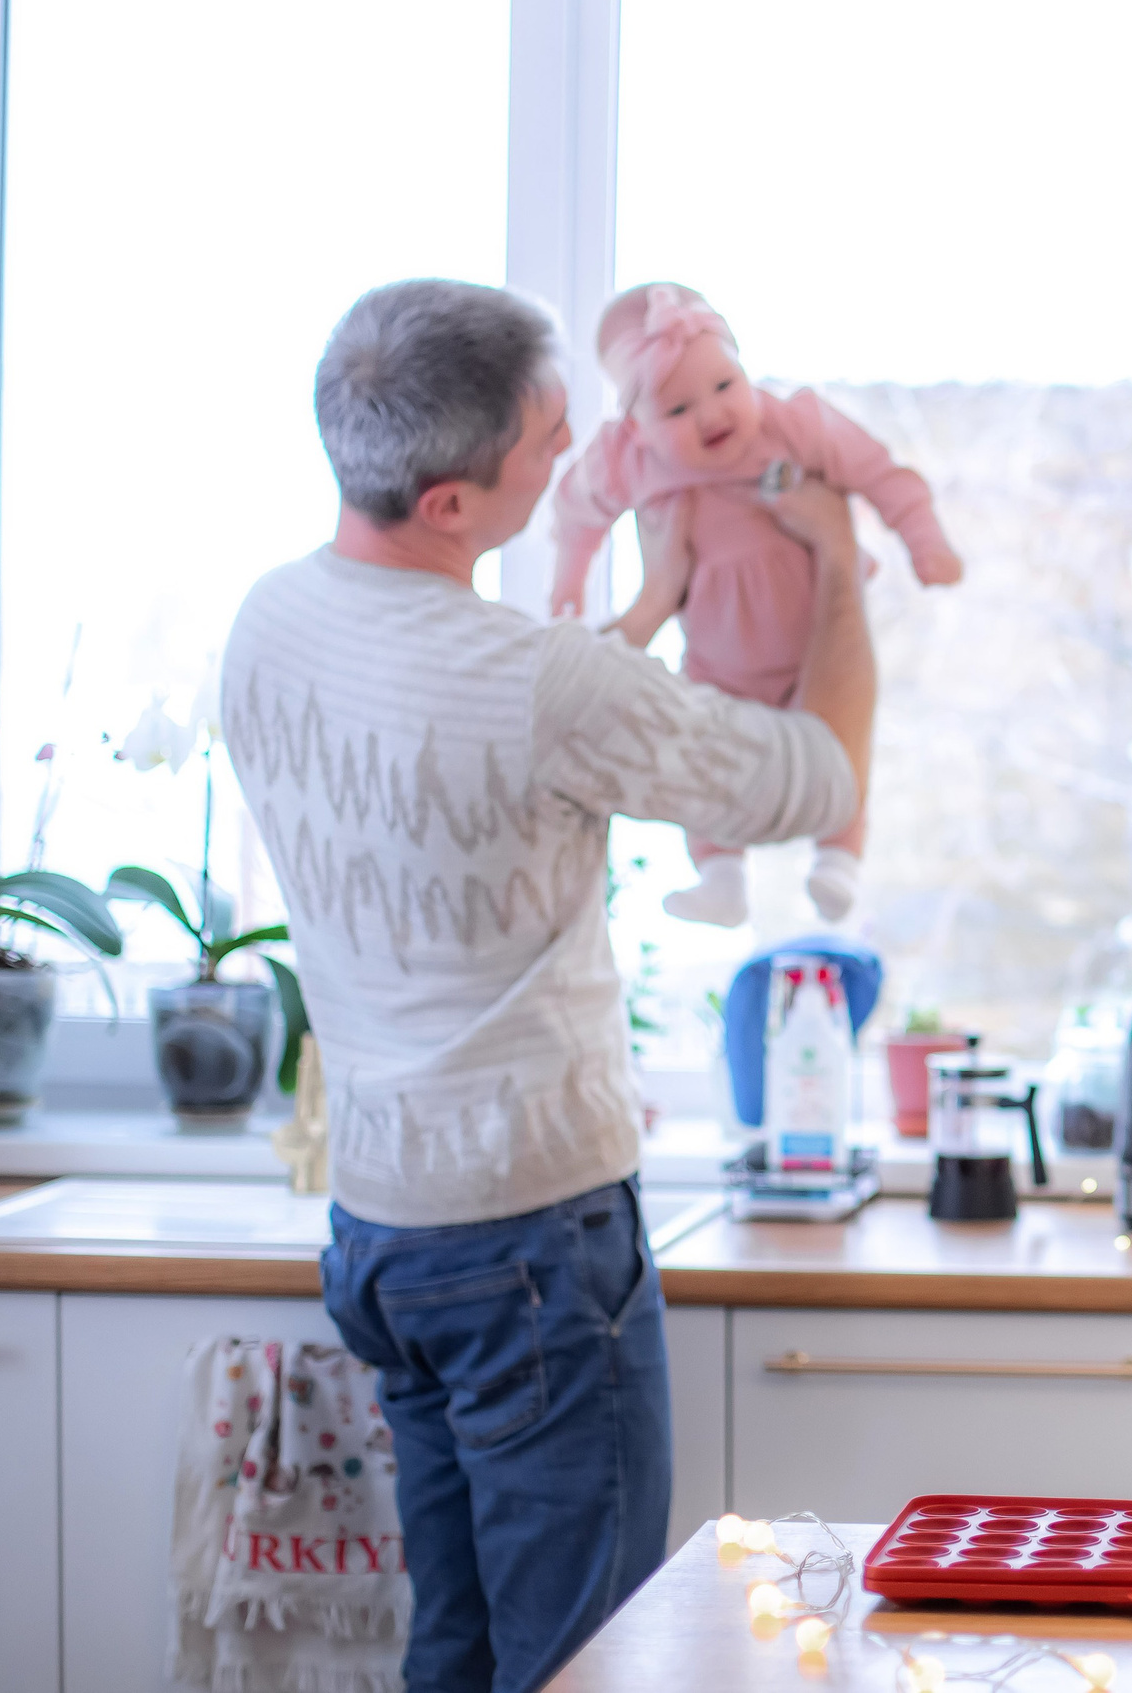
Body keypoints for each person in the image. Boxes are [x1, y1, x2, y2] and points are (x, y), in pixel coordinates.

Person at [220, 278, 875, 1693]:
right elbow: (822, 777)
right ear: (454, 504)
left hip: (382, 1233)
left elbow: (494, 732)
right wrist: (833, 562)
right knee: (586, 1667)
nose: (582, 446)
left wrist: (643, 602)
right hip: (530, 1247)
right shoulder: (539, 684)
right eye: (548, 438)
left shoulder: (270, 624)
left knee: (454, 1653)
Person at [549, 281, 962, 928]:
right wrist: (569, 579)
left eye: (724, 385)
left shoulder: (791, 424)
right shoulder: (631, 460)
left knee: (843, 743)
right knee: (704, 761)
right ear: (637, 425)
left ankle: (838, 866)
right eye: (678, 408)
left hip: (813, 650)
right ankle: (721, 879)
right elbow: (577, 510)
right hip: (717, 656)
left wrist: (924, 539)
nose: (713, 414)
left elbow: (881, 473)